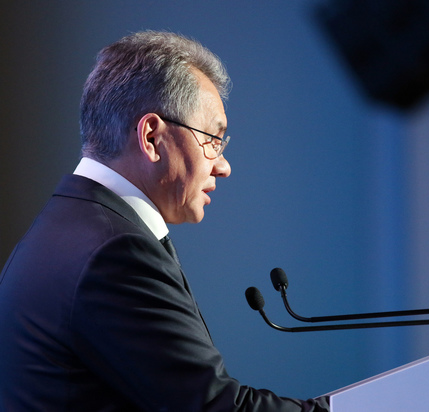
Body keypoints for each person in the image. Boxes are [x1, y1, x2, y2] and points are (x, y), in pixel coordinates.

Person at [0, 31, 330, 411]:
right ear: (152, 137)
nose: (223, 166)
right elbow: (213, 407)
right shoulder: (116, 254)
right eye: (213, 139)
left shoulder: (63, 227)